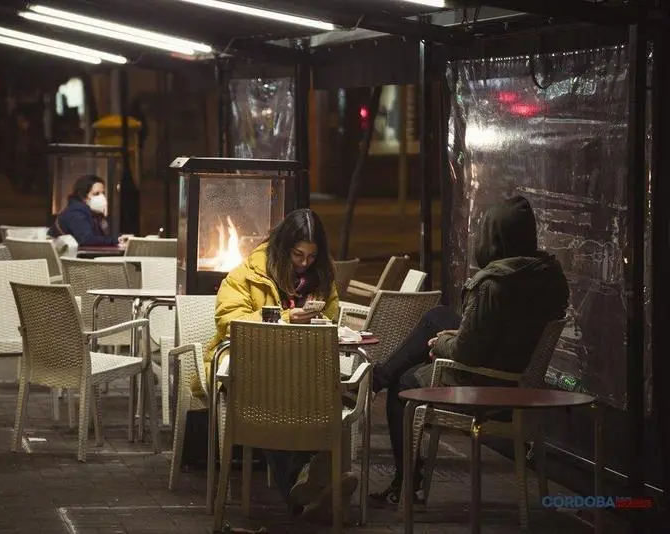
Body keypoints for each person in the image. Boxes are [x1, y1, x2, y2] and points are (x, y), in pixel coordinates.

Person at [369, 195, 569, 506]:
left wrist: (442, 343)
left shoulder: (493, 285)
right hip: (516, 373)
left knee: (403, 385)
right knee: (438, 316)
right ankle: (379, 376)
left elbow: (468, 353)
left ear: (495, 238)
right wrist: (455, 331)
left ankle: (405, 481)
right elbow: (502, 329)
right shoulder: (546, 275)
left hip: (485, 385)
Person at [202, 208, 353, 520]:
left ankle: (312, 481)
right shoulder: (248, 274)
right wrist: (286, 317)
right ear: (284, 248)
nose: (304, 263)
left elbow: (333, 316)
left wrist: (322, 321)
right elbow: (231, 322)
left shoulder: (321, 278)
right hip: (253, 368)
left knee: (332, 391)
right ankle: (310, 479)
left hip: (304, 366)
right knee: (272, 394)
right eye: (298, 255)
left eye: (311, 257)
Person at [48, 175, 131, 246]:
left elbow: (99, 238)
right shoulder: (75, 213)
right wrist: (117, 240)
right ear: (82, 196)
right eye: (96, 194)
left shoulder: (94, 214)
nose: (102, 197)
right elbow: (86, 239)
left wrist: (120, 238)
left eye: (103, 193)